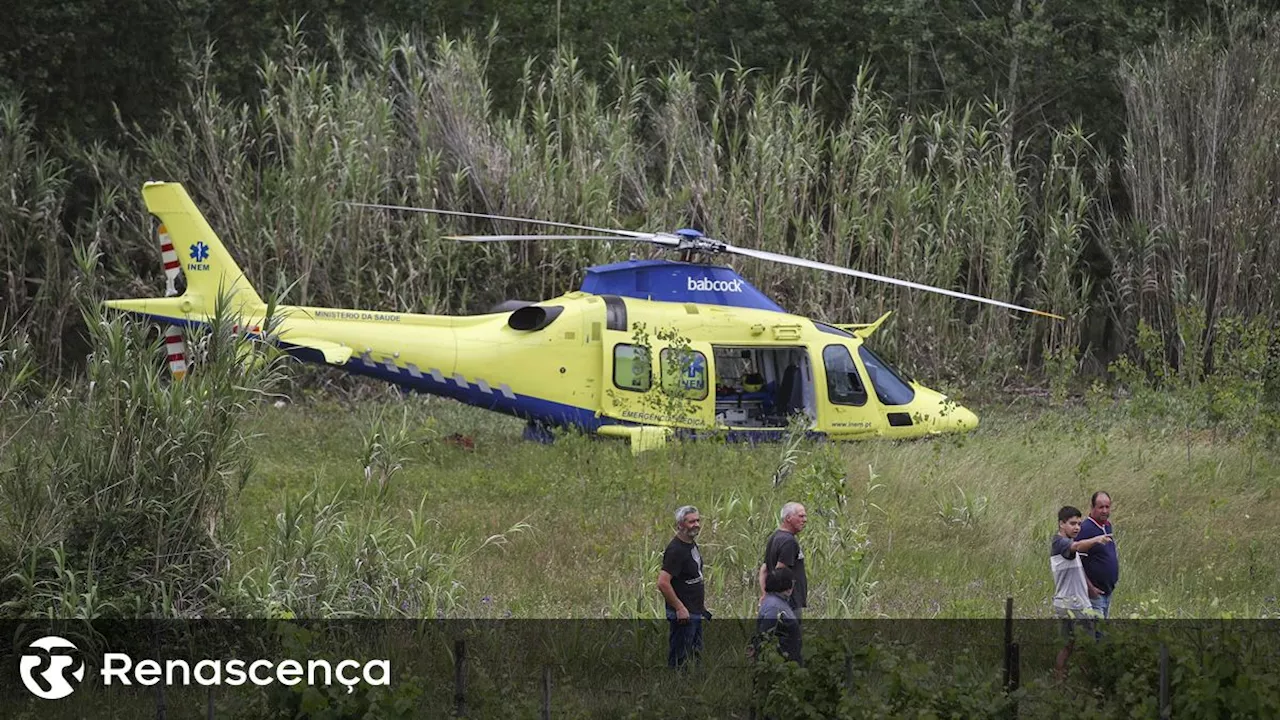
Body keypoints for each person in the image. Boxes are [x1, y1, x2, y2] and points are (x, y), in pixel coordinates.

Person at [1051, 505, 1113, 679]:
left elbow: (1077, 568)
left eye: (1079, 523)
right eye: (1072, 524)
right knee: (1090, 645)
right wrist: (1096, 540)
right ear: (1061, 524)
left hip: (1065, 602)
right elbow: (1077, 547)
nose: (1077, 527)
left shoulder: (1067, 544)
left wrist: (1091, 588)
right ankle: (1088, 681)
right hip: (1075, 604)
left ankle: (1060, 681)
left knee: (1067, 645)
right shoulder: (1061, 543)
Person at [658, 505, 708, 668]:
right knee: (680, 659)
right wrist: (679, 608)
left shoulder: (690, 544)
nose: (696, 524)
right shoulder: (676, 550)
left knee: (695, 656)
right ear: (680, 525)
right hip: (683, 614)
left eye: (697, 520)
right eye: (691, 521)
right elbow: (663, 582)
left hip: (695, 610)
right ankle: (675, 688)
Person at [759, 502, 807, 659]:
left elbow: (764, 569)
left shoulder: (775, 536)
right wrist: (783, 597)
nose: (804, 519)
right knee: (791, 645)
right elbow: (781, 572)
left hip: (776, 600)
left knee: (773, 642)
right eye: (801, 516)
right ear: (788, 518)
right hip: (788, 603)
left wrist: (765, 594)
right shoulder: (788, 542)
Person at [1076, 491, 1118, 618]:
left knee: (1103, 633)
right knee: (1097, 634)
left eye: (1107, 507)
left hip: (1107, 592)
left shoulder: (1107, 526)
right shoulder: (1085, 529)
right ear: (1092, 508)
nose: (1105, 511)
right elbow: (1077, 562)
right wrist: (1090, 588)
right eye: (1101, 507)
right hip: (1094, 595)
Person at [753, 567, 802, 664]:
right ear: (787, 587)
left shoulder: (773, 601)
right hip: (781, 663)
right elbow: (765, 635)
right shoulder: (774, 607)